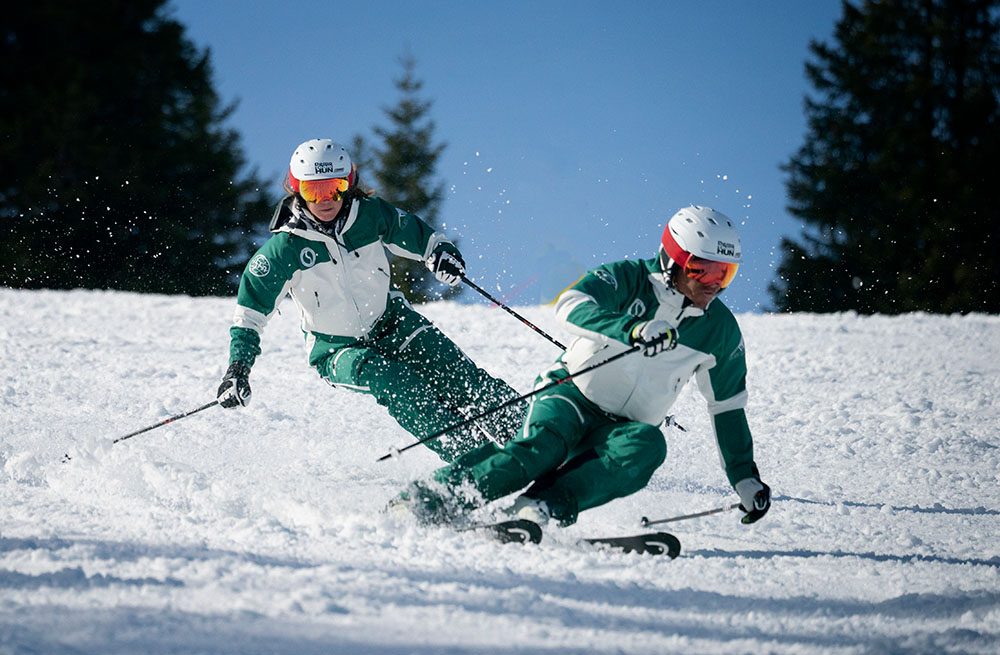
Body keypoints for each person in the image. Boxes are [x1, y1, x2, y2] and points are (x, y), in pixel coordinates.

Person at [393, 205, 771, 526]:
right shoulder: (629, 277)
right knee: (540, 451)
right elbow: (571, 304)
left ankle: (540, 507)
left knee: (648, 447)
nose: (714, 284)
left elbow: (727, 406)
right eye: (702, 269)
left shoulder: (719, 331)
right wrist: (632, 329)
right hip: (571, 394)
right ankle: (430, 499)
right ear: (673, 259)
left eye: (725, 273)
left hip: (621, 429)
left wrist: (744, 478)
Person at [217, 138, 524, 461]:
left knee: (456, 374)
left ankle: (531, 433)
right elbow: (249, 316)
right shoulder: (283, 251)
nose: (325, 200)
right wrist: (238, 368)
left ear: (348, 184)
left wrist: (441, 253)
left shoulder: (369, 215)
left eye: (334, 188)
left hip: (392, 323)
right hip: (337, 348)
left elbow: (420, 236)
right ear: (296, 190)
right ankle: (478, 460)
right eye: (313, 191)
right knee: (399, 386)